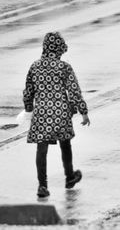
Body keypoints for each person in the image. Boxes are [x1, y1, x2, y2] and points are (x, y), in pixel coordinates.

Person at [23, 32, 90, 198]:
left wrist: (29, 108)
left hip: (42, 113)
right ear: (59, 49)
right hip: (61, 112)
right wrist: (83, 111)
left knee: (42, 147)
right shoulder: (64, 67)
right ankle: (69, 177)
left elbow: (28, 91)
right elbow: (74, 91)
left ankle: (42, 186)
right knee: (65, 144)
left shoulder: (35, 66)